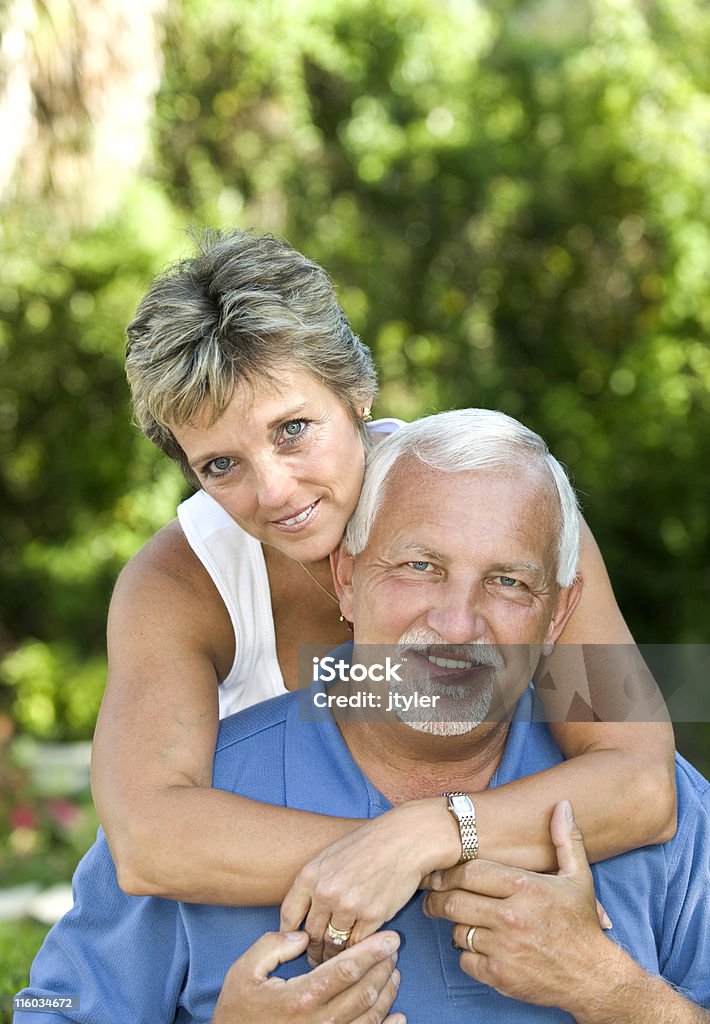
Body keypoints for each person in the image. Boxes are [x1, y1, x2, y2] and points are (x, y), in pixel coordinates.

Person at [92, 228, 675, 958]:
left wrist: (428, 833)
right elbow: (149, 841)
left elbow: (642, 784)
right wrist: (391, 856)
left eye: (293, 429)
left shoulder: (502, 507)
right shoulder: (178, 586)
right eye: (220, 465)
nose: (273, 490)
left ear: (356, 393)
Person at [16, 410, 709, 1023]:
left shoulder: (663, 812)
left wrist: (612, 991)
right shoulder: (209, 796)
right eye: (419, 565)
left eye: (507, 582)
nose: (457, 621)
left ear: (558, 612)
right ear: (345, 579)